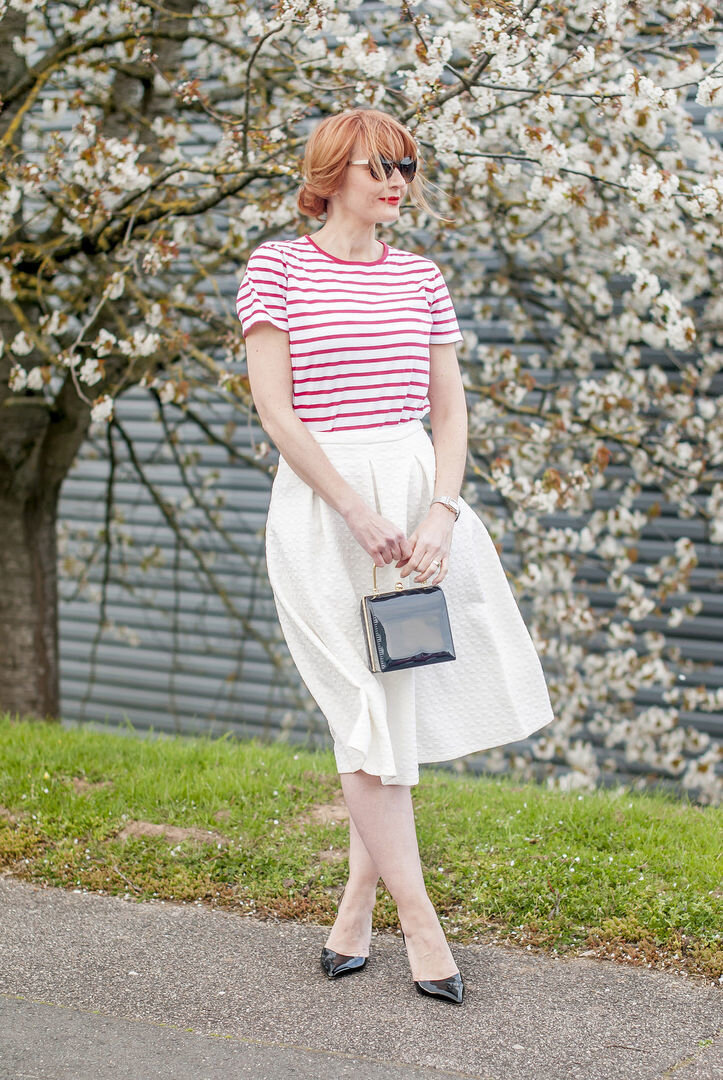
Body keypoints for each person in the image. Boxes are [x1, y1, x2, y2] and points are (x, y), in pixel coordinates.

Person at [235, 108, 554, 1005]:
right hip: (323, 507)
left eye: (405, 167)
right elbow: (276, 411)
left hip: (416, 502)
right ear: (330, 173)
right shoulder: (277, 267)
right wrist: (352, 507)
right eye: (378, 166)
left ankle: (354, 913)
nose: (396, 182)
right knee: (359, 709)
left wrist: (441, 514)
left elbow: (448, 412)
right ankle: (421, 923)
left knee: (390, 713)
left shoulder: (420, 277)